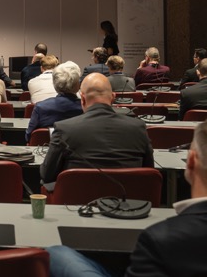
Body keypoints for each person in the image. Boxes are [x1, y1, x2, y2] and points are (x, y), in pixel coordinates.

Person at [47, 121, 207, 277]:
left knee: (56, 253)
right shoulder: (161, 236)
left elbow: (46, 175)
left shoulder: (161, 238)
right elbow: (148, 167)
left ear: (191, 160)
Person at [40, 73, 154, 191]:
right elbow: (149, 172)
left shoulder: (64, 129)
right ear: (113, 97)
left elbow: (47, 175)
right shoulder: (138, 128)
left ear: (82, 99)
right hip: (130, 199)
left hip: (76, 199)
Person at [25, 61, 83, 142]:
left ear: (55, 85)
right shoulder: (85, 108)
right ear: (78, 86)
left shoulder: (40, 107)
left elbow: (29, 136)